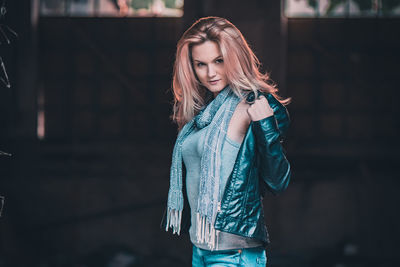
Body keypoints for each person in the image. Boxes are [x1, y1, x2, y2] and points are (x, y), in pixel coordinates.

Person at [161, 16, 291, 267]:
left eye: (219, 61)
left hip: (234, 251)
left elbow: (278, 180)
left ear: (235, 58)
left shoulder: (254, 105)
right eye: (201, 64)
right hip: (201, 246)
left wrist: (266, 125)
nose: (211, 73)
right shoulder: (202, 114)